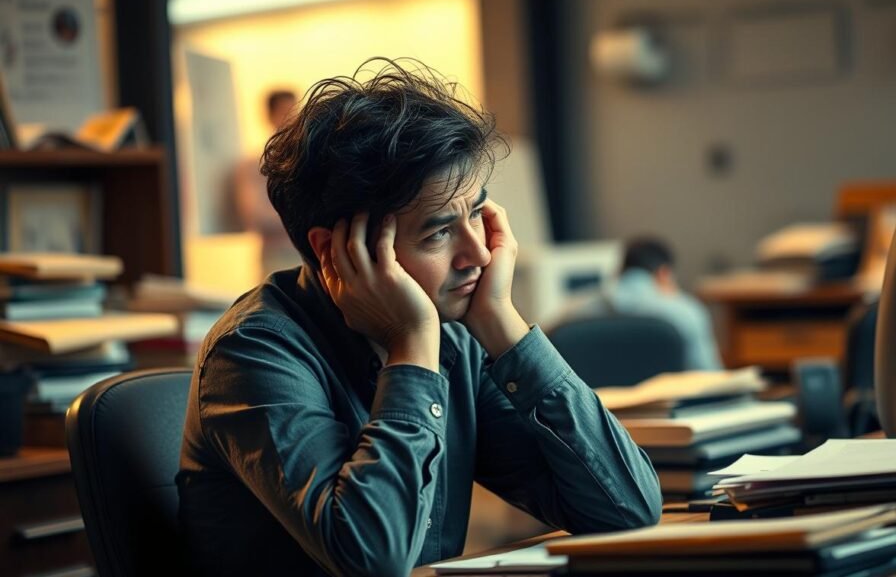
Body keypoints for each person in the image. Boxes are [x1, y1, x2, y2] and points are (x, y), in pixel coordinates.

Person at [177, 58, 661, 577]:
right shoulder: (253, 352)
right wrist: (412, 347)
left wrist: (503, 324)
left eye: (477, 213)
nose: (479, 254)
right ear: (335, 252)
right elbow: (373, 560)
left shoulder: (458, 335)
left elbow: (626, 509)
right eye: (438, 233)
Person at [564, 237, 723, 371]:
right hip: (671, 406)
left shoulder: (572, 312)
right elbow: (708, 376)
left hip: (597, 406)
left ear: (620, 270)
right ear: (664, 274)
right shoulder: (687, 311)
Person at [234, 89, 300, 274]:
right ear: (270, 116)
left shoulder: (308, 159)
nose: (292, 119)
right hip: (277, 256)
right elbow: (256, 216)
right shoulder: (254, 164)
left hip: (309, 253)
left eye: (295, 112)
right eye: (284, 112)